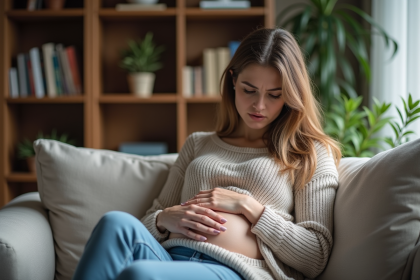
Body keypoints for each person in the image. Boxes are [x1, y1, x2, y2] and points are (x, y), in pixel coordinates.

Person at [72, 27, 342, 280]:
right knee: (114, 223)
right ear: (233, 81)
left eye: (274, 95)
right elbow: (152, 217)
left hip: (236, 271)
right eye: (249, 90)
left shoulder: (308, 152)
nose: (259, 105)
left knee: (140, 275)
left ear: (291, 96)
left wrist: (249, 207)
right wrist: (164, 219)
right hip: (170, 259)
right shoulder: (197, 144)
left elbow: (315, 255)